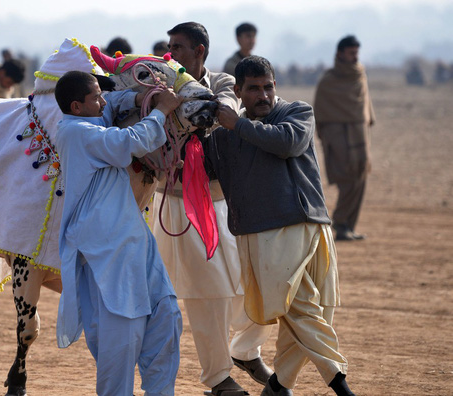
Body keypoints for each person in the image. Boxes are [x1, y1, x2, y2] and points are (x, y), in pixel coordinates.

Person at [201, 55, 355, 396]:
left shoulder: (296, 113)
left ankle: (278, 386)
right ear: (238, 92)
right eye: (253, 89)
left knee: (318, 312)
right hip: (265, 234)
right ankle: (342, 386)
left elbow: (287, 143)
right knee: (302, 311)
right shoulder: (224, 139)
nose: (263, 95)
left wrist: (236, 125)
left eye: (268, 86)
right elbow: (195, 171)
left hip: (314, 226)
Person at [159, 21, 273, 396]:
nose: (170, 53)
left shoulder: (223, 81)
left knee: (258, 283)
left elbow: (227, 104)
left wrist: (200, 108)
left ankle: (244, 349)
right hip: (177, 205)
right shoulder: (157, 86)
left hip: (225, 202)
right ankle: (218, 378)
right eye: (169, 46)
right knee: (207, 293)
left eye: (178, 47)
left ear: (200, 52)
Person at [54, 70, 183, 395]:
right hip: (107, 254)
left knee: (166, 319)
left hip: (136, 242)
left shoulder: (92, 120)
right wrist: (161, 110)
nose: (103, 101)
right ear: (76, 106)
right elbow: (131, 142)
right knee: (120, 347)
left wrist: (142, 97)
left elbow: (112, 103)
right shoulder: (75, 133)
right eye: (95, 97)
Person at [314, 35, 375, 241]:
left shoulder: (360, 74)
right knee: (348, 180)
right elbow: (320, 111)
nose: (355, 56)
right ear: (340, 54)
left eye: (356, 52)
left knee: (361, 178)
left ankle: (349, 225)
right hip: (338, 136)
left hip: (359, 134)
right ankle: (340, 224)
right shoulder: (329, 80)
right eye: (351, 52)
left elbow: (365, 103)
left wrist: (368, 120)